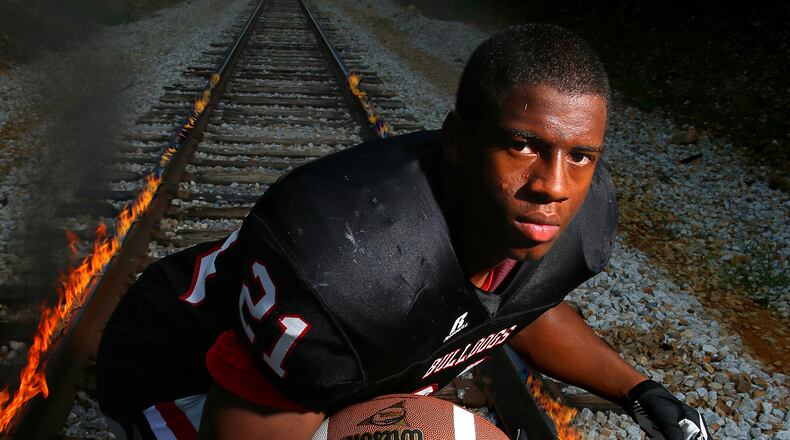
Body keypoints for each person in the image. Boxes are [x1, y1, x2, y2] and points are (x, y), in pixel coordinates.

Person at [97, 24, 710, 440]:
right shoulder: (346, 270)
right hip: (186, 372)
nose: (555, 186)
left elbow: (524, 302)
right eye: (524, 146)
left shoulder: (570, 203)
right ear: (459, 140)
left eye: (580, 155)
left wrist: (638, 390)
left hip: (332, 351)